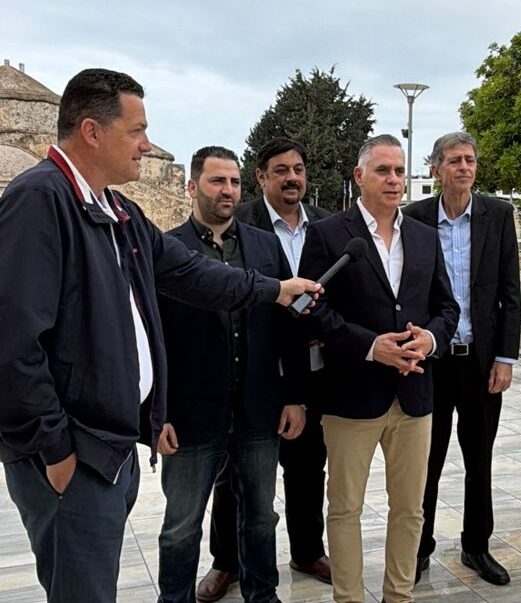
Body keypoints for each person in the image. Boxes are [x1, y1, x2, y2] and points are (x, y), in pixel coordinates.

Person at [0, 68, 319, 603]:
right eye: (137, 131)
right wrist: (54, 449)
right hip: (72, 452)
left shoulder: (118, 210)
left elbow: (193, 274)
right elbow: (13, 343)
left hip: (111, 448)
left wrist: (275, 289)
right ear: (92, 131)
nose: (146, 145)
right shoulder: (39, 199)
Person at [299, 135, 459, 603]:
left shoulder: (424, 236)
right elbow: (312, 308)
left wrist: (429, 339)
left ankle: (399, 596)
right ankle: (348, 598)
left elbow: (447, 308)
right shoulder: (329, 234)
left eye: (399, 171)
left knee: (410, 508)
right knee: (345, 508)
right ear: (359, 176)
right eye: (383, 170)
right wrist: (371, 347)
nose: (394, 180)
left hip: (414, 395)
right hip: (351, 396)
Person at [156, 145, 308, 603]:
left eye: (235, 182)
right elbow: (154, 336)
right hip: (191, 414)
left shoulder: (264, 245)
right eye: (217, 181)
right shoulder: (169, 250)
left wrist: (295, 396)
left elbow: (288, 323)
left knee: (261, 517)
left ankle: (263, 595)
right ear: (192, 186)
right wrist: (156, 413)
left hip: (258, 410)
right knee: (181, 526)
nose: (228, 190)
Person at [196, 138, 332, 601]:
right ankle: (227, 562)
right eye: (281, 170)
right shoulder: (239, 222)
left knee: (308, 466)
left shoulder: (325, 226)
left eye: (298, 169)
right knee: (233, 476)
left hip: (309, 370)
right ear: (261, 177)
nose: (292, 178)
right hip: (250, 370)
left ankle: (308, 550)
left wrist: (326, 330)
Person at [403, 132, 521, 586]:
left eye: (470, 160)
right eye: (454, 160)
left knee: (479, 458)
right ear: (436, 169)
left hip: (480, 362)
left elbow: (510, 293)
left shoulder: (498, 215)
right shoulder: (414, 217)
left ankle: (476, 545)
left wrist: (505, 358)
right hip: (432, 362)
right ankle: (419, 548)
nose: (464, 168)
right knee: (426, 461)